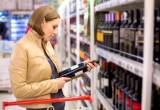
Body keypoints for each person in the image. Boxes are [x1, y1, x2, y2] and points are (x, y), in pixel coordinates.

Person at [8, 5, 98, 110]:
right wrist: (54, 84)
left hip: (58, 104)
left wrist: (81, 68)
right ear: (42, 22)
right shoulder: (21, 47)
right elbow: (19, 90)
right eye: (53, 27)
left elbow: (55, 77)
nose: (55, 32)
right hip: (41, 107)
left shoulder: (46, 44)